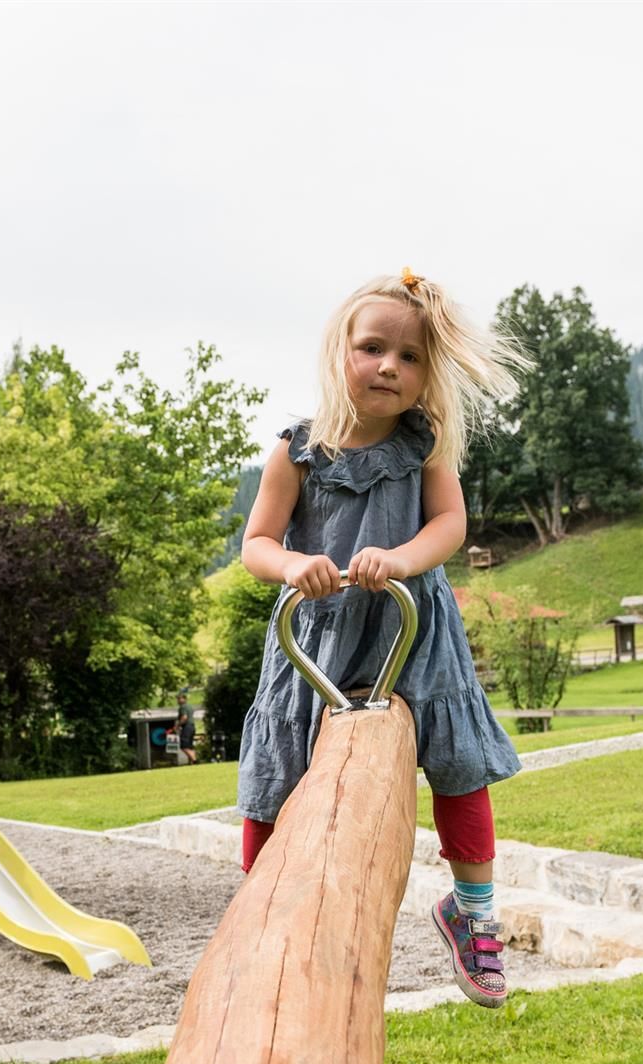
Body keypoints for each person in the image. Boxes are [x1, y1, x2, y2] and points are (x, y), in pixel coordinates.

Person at [236, 269, 525, 1008]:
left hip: (410, 626)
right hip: (318, 636)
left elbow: (450, 525)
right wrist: (298, 564)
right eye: (373, 348)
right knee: (278, 770)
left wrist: (399, 557)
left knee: (459, 761)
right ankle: (254, 918)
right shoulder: (297, 452)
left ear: (428, 373)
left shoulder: (423, 447)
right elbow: (257, 544)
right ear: (342, 353)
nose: (390, 366)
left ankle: (474, 911)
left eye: (411, 356)